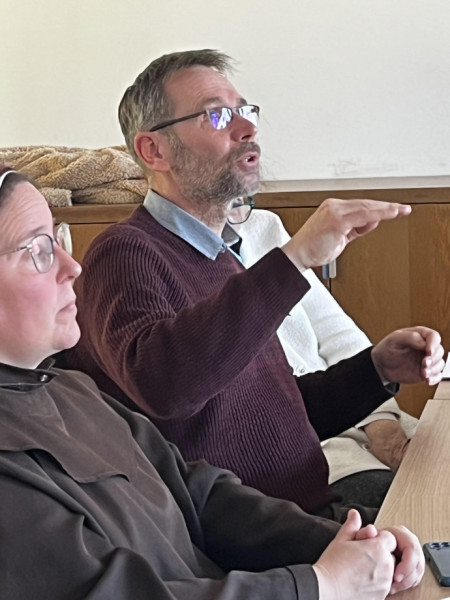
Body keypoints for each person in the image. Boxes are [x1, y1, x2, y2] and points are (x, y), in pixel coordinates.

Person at [0, 166, 426, 600]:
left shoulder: (69, 389)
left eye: (59, 239)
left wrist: (348, 546)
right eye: (39, 250)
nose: (72, 266)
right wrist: (320, 584)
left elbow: (199, 495)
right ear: (154, 151)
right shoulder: (127, 255)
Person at [66, 49, 444, 523]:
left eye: (245, 110)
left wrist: (376, 368)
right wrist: (295, 258)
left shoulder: (222, 256)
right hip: (256, 539)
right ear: (154, 151)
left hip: (311, 514)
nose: (247, 128)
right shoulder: (124, 251)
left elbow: (276, 418)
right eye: (217, 115)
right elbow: (164, 387)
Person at [238, 208, 419, 507]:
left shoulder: (260, 224)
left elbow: (338, 334)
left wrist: (383, 425)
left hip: (360, 420)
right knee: (414, 507)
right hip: (311, 457)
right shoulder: (165, 255)